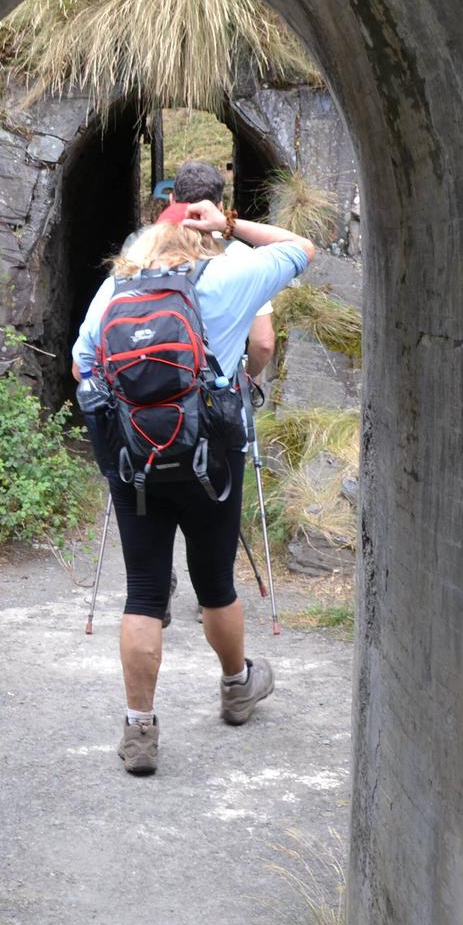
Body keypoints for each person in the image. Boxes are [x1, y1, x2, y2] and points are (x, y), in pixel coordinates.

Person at [71, 197, 315, 775]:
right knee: (214, 584)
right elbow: (303, 249)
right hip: (213, 460)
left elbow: (84, 367)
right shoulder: (229, 273)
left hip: (137, 465)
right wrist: (229, 225)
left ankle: (139, 731)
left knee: (146, 593)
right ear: (201, 238)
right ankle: (236, 687)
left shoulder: (117, 290)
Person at [168, 160, 277, 375]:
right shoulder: (246, 260)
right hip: (219, 394)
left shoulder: (137, 259)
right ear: (219, 207)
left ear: (171, 200)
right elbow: (263, 343)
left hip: (154, 398)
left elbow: (83, 362)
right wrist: (247, 377)